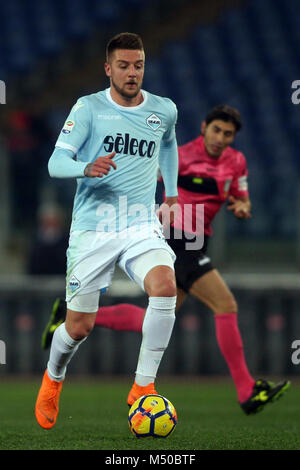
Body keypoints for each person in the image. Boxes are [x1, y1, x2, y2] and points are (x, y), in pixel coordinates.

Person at [42, 105, 290, 416]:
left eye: (228, 134)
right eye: (217, 130)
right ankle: (247, 391)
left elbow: (240, 195)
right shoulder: (182, 155)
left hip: (199, 242)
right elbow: (142, 176)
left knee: (157, 318)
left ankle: (67, 318)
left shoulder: (236, 162)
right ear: (204, 127)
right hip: (175, 238)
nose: (221, 138)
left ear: (233, 138)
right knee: (225, 305)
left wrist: (242, 205)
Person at [35, 32, 179, 430]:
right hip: (93, 228)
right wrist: (87, 166)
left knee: (165, 286)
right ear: (108, 68)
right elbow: (55, 163)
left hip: (139, 223)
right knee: (79, 327)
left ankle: (142, 388)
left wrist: (172, 190)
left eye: (138, 65)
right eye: (123, 66)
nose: (132, 73)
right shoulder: (89, 109)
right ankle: (53, 378)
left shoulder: (163, 110)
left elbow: (168, 143)